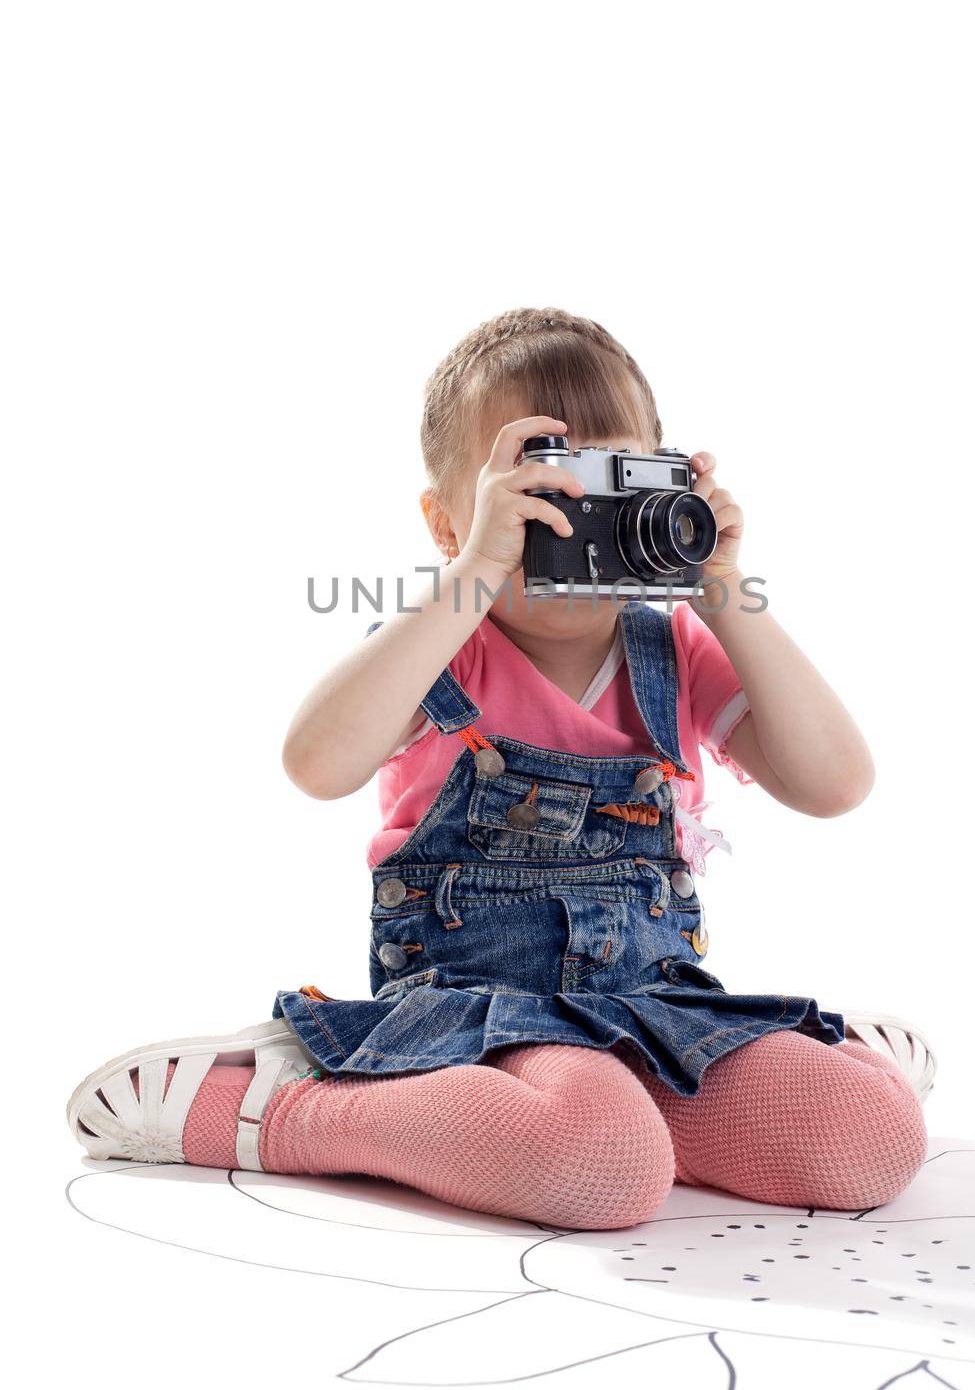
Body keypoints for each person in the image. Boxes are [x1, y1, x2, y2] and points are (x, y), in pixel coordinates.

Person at [68, 307, 931, 1230]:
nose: (573, 523)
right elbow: (315, 764)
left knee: (869, 1136)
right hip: (477, 1014)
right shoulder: (444, 648)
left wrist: (722, 590)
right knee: (598, 1166)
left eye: (605, 489)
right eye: (538, 495)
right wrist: (476, 571)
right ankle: (285, 1104)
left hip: (654, 1009)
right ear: (450, 520)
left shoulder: (674, 650)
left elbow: (834, 783)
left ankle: (814, 1064)